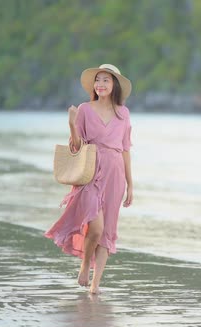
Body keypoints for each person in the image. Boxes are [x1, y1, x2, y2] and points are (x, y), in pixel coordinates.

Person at [45, 64, 134, 294]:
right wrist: (72, 124)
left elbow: (125, 149)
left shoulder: (123, 113)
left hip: (115, 173)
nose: (101, 84)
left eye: (106, 80)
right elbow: (76, 146)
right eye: (98, 80)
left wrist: (130, 184)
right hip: (91, 170)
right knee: (96, 227)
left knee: (107, 232)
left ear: (114, 84)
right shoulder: (84, 109)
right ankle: (85, 265)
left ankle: (95, 286)